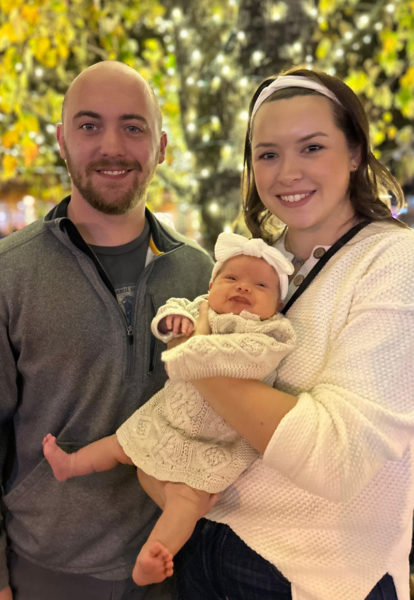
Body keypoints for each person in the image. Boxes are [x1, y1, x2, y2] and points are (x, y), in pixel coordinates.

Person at [172, 66, 414, 600]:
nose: (287, 173)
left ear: (354, 153)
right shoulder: (264, 267)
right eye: (268, 154)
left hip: (311, 575)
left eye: (312, 147)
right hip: (206, 542)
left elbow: (337, 456)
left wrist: (194, 356)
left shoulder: (393, 260)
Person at [0, 60, 214, 600]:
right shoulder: (8, 274)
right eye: (89, 125)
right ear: (62, 141)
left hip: (175, 570)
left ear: (161, 146)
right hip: (45, 576)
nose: (112, 146)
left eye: (133, 127)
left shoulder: (203, 277)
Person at [42, 231, 296, 587]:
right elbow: (171, 312)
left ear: (279, 305)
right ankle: (70, 464)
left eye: (260, 286)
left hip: (212, 442)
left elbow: (249, 363)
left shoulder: (271, 333)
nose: (243, 288)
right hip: (168, 416)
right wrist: (174, 323)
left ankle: (153, 555)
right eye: (232, 278)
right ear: (211, 284)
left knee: (186, 502)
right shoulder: (202, 307)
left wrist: (198, 343)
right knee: (121, 444)